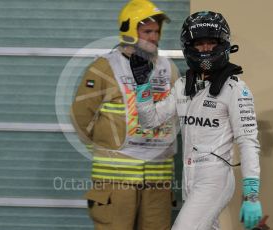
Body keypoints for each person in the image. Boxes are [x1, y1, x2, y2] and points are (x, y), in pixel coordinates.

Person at [131, 11, 263, 230]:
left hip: (215, 178)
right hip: (189, 176)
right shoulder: (183, 86)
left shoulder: (236, 89)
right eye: (199, 43)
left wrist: (251, 195)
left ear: (224, 44)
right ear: (189, 47)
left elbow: (248, 141)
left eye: (212, 43)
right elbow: (150, 121)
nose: (206, 49)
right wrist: (143, 86)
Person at [70, 0, 181, 229]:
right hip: (115, 180)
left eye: (156, 31)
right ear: (129, 30)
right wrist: (107, 146)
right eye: (147, 31)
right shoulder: (104, 67)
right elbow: (82, 117)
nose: (153, 36)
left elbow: (177, 114)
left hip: (157, 180)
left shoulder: (168, 68)